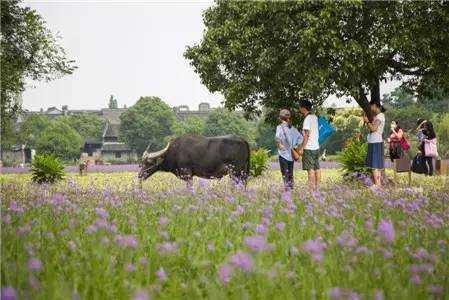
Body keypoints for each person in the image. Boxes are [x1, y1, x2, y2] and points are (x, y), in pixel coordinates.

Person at [275, 109, 303, 190]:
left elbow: (277, 138)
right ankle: (291, 190)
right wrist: (295, 146)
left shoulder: (279, 127)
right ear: (288, 118)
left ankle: (287, 193)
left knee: (285, 174)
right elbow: (300, 139)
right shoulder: (293, 128)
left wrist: (280, 145)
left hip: (283, 155)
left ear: (280, 118)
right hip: (291, 155)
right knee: (290, 174)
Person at [297, 100, 321, 190]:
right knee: (317, 168)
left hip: (309, 147)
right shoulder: (314, 117)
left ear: (303, 108)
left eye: (300, 107)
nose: (299, 109)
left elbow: (306, 135)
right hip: (316, 146)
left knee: (310, 169)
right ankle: (317, 188)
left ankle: (311, 190)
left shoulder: (307, 119)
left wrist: (302, 148)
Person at [363, 100, 386, 187]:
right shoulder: (377, 116)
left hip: (376, 142)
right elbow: (372, 129)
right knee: (375, 166)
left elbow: (374, 129)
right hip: (374, 141)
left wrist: (367, 121)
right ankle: (378, 184)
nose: (370, 108)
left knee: (375, 165)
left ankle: (377, 185)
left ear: (375, 105)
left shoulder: (380, 116)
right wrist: (368, 123)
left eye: (371, 106)